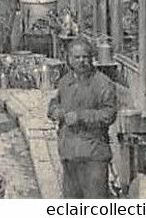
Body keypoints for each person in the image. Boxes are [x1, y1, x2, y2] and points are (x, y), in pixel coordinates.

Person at [47, 36, 118, 199]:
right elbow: (54, 103)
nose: (81, 61)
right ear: (69, 59)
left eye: (85, 57)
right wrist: (54, 111)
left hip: (93, 155)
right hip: (69, 154)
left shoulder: (103, 83)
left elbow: (109, 114)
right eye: (77, 57)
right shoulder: (65, 82)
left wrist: (80, 116)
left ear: (91, 58)